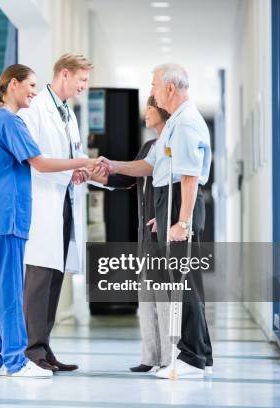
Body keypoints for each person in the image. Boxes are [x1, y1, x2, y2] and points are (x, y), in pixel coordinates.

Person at [0, 64, 103, 378]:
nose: (33, 92)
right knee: (9, 292)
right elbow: (40, 163)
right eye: (30, 86)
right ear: (13, 85)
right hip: (7, 219)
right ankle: (16, 361)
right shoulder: (9, 121)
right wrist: (85, 161)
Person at [100, 63, 213, 379]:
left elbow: (189, 177)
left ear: (170, 89)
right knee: (185, 284)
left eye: (153, 85)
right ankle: (201, 354)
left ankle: (190, 359)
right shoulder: (176, 123)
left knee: (182, 285)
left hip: (181, 203)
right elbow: (151, 166)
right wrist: (111, 166)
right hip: (170, 203)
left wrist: (182, 222)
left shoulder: (187, 123)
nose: (151, 92)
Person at [18, 54, 105, 372]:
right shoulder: (37, 108)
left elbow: (75, 154)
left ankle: (44, 347)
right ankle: (32, 350)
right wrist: (76, 168)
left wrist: (83, 169)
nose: (84, 87)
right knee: (39, 280)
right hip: (43, 204)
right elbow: (35, 160)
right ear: (64, 75)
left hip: (64, 202)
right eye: (81, 80)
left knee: (54, 279)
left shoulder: (67, 112)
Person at [91, 95, 173, 373]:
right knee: (147, 295)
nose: (146, 113)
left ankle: (170, 358)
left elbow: (184, 185)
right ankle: (150, 357)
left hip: (163, 233)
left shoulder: (172, 143)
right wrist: (89, 174)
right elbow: (127, 178)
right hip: (144, 235)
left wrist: (170, 220)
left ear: (162, 110)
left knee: (165, 297)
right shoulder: (150, 145)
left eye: (150, 108)